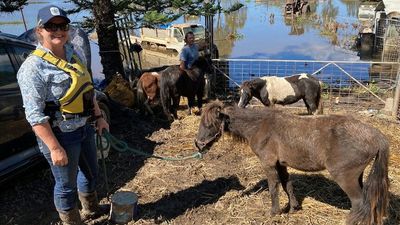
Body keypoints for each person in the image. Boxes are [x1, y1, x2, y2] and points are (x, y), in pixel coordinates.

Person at [17, 5, 109, 225]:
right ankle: (72, 221)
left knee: (91, 172)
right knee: (65, 185)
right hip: (61, 135)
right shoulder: (33, 67)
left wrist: (99, 117)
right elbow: (34, 116)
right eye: (51, 26)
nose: (58, 31)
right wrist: (55, 147)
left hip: (85, 127)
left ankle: (91, 208)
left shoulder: (74, 55)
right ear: (40, 30)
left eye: (62, 25)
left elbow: (87, 91)